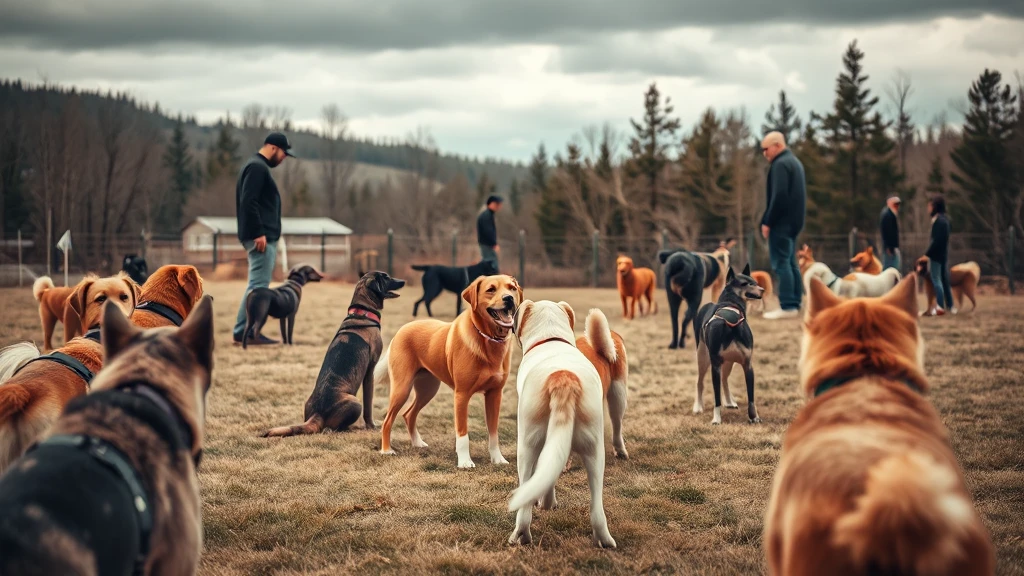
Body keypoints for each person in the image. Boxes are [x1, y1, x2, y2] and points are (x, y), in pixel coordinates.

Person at [232, 132, 294, 345]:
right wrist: (258, 232)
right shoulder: (257, 167)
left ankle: (246, 330)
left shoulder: (256, 166)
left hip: (262, 236)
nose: (284, 158)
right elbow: (249, 201)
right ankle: (245, 332)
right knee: (258, 286)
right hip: (260, 237)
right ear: (273, 147)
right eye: (284, 153)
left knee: (257, 284)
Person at [759, 131, 806, 320]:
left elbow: (779, 196)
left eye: (766, 149)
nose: (764, 153)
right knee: (791, 262)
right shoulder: (795, 162)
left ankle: (787, 306)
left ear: (777, 145)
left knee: (781, 263)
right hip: (794, 222)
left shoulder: (780, 164)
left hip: (781, 222)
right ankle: (795, 302)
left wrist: (768, 221)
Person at [923, 195, 954, 316]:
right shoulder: (945, 220)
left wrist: (927, 254)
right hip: (943, 255)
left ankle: (940, 307)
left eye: (930, 205)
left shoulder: (939, 221)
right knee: (944, 280)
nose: (928, 208)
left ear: (935, 207)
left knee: (936, 280)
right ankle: (950, 305)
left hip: (936, 256)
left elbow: (936, 241)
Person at [477, 195, 503, 271]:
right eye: (497, 204)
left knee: (487, 263)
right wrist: (493, 244)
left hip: (486, 244)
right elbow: (488, 231)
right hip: (487, 245)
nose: (498, 206)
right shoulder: (486, 216)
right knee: (492, 265)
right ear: (491, 204)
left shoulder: (488, 215)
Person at [880, 195, 902, 271]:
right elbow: (886, 232)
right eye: (895, 204)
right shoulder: (887, 215)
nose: (897, 207)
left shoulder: (891, 214)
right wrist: (888, 247)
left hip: (892, 247)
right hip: (890, 248)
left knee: (893, 266)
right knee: (889, 267)